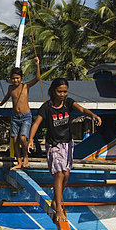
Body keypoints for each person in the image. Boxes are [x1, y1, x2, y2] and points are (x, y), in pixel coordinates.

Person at [27, 78, 102, 222]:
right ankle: (59, 208)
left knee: (66, 174)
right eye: (59, 91)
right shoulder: (46, 107)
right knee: (59, 174)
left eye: (65, 92)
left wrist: (92, 115)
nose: (62, 94)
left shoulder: (68, 103)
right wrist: (31, 139)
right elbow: (36, 124)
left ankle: (56, 200)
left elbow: (81, 109)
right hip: (54, 145)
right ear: (53, 91)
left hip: (67, 144)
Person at [0, 56, 41, 169]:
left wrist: (37, 64)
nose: (15, 80)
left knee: (23, 138)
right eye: (13, 78)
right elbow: (6, 97)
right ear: (10, 79)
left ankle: (26, 157)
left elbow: (38, 78)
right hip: (15, 117)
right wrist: (0, 104)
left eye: (17, 78)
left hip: (26, 116)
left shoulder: (25, 86)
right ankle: (18, 161)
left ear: (21, 78)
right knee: (15, 139)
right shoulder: (11, 88)